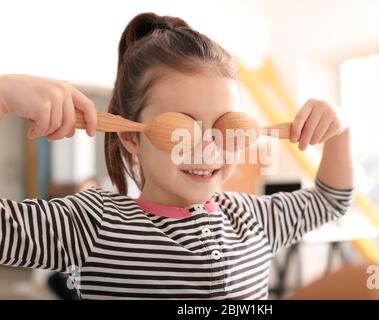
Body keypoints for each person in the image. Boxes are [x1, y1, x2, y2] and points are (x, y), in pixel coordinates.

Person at [0, 12, 354, 299]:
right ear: (130, 136)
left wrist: (340, 128)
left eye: (226, 127)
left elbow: (332, 200)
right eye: (181, 129)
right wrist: (2, 95)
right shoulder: (92, 226)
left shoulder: (253, 219)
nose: (207, 149)